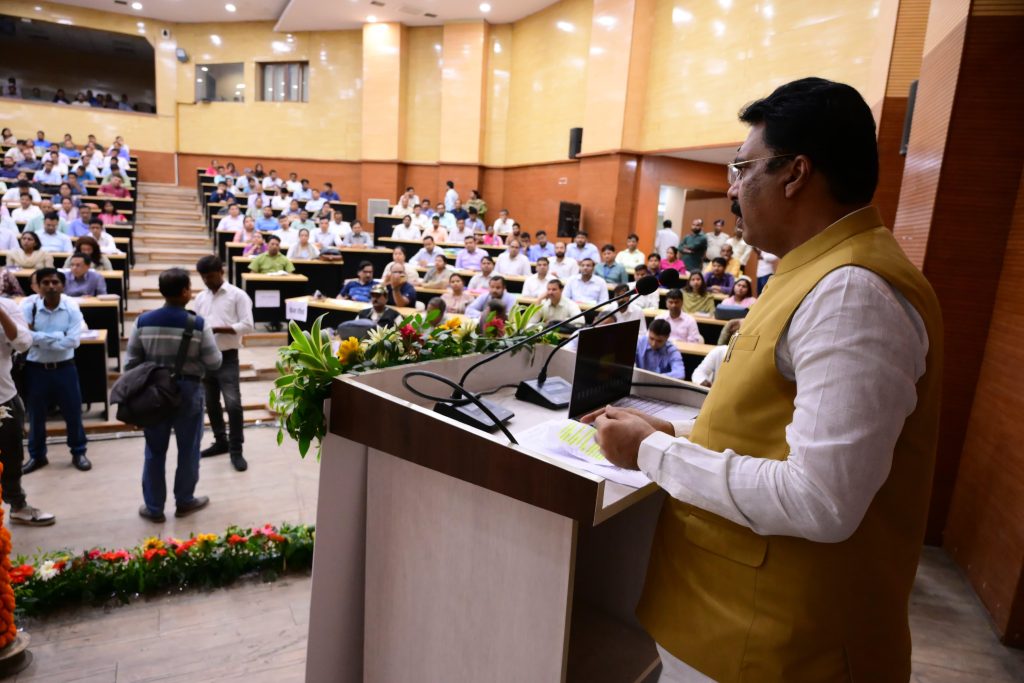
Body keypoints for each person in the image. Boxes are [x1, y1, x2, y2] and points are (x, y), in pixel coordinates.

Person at [584, 78, 944, 683]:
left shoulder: (850, 292)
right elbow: (766, 428)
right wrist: (672, 432)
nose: (731, 188)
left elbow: (821, 499)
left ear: (795, 173)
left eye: (742, 168)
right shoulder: (812, 272)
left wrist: (651, 451)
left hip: (778, 643)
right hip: (726, 617)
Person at [128, 268, 223, 522]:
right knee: (188, 450)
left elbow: (131, 363)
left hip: (153, 394)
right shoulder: (198, 324)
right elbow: (214, 362)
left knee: (154, 450)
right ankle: (184, 501)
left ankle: (154, 508)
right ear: (184, 292)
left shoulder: (142, 322)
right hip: (188, 393)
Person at [20, 268, 90, 474]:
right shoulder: (29, 306)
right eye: (45, 283)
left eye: (55, 282)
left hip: (64, 368)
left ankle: (78, 452)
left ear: (62, 285)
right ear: (38, 286)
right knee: (36, 415)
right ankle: (37, 456)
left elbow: (73, 341)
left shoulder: (71, 306)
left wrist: (39, 338)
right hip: (36, 369)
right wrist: (59, 336)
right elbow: (25, 338)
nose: (51, 286)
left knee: (73, 412)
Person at [192, 256, 254, 472]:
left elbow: (248, 325)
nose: (207, 281)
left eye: (210, 276)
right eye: (203, 277)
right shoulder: (201, 298)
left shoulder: (238, 295)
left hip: (227, 356)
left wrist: (217, 329)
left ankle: (236, 450)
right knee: (210, 403)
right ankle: (221, 441)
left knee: (233, 404)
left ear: (221, 272)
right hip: (205, 357)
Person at [0, 296, 55, 525]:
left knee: (12, 456)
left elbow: (23, 343)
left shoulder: (7, 306)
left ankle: (18, 505)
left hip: (3, 397)